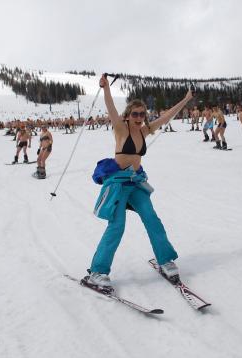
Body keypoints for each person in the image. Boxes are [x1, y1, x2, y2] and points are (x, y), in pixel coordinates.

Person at [85, 75, 193, 289]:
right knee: (117, 226)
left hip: (135, 182)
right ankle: (97, 271)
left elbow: (167, 116)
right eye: (135, 114)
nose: (140, 117)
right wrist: (106, 88)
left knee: (152, 219)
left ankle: (165, 260)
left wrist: (186, 99)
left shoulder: (145, 130)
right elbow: (110, 107)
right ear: (128, 115)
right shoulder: (121, 128)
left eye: (142, 114)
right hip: (117, 183)